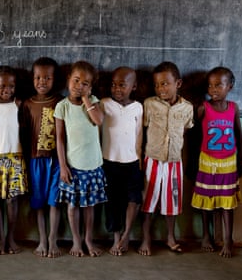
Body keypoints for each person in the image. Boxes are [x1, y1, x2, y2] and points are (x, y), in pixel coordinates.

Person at [138, 61, 194, 256]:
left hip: (174, 161)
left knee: (172, 202)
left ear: (178, 83)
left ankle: (170, 238)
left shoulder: (187, 108)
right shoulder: (149, 104)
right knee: (147, 201)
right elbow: (141, 132)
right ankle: (146, 239)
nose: (160, 88)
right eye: (157, 84)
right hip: (152, 160)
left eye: (165, 83)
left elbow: (185, 131)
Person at [54, 61, 107, 257]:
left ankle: (88, 240)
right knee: (73, 206)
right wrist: (62, 166)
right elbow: (59, 139)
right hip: (73, 166)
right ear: (68, 80)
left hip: (93, 165)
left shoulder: (93, 102)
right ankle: (76, 241)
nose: (79, 86)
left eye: (85, 83)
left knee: (89, 207)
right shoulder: (62, 107)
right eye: (76, 80)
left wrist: (87, 100)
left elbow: (98, 121)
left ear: (91, 87)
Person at [191, 67, 242, 258]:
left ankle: (228, 239)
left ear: (229, 86)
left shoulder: (234, 108)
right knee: (207, 200)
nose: (213, 89)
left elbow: (238, 134)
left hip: (228, 162)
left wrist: (240, 160)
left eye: (219, 85)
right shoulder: (202, 108)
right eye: (210, 85)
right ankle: (207, 235)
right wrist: (192, 162)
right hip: (207, 161)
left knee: (227, 203)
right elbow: (195, 137)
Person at [22, 57, 63, 258]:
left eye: (47, 78)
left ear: (55, 80)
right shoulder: (27, 104)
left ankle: (53, 240)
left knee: (54, 201)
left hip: (56, 161)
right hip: (35, 160)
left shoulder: (60, 102)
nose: (42, 82)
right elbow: (24, 133)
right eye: (38, 77)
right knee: (39, 203)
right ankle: (42, 240)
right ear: (32, 78)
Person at [100, 67, 143, 256]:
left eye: (122, 85)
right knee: (113, 202)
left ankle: (127, 235)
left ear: (134, 87)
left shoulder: (138, 107)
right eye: (114, 85)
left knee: (134, 199)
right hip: (108, 161)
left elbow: (139, 134)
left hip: (131, 161)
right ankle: (116, 238)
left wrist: (139, 159)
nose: (117, 89)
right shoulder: (103, 104)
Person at [0, 65, 27, 255]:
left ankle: (11, 237)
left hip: (15, 157)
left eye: (11, 86)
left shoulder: (18, 105)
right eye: (2, 86)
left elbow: (25, 131)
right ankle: (0, 238)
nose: (7, 90)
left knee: (12, 201)